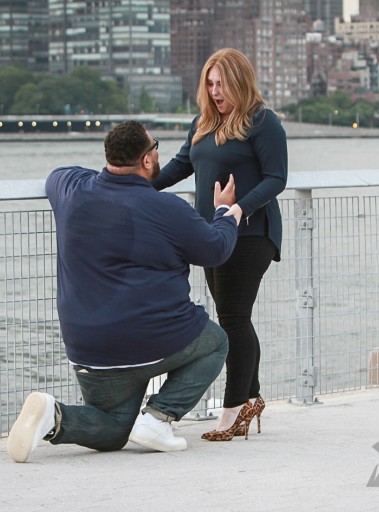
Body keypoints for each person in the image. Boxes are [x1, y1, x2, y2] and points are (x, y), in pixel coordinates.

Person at [7, 120, 242, 463]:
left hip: (89, 350)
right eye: (155, 146)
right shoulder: (169, 209)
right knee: (216, 341)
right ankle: (160, 417)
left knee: (114, 430)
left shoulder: (71, 190)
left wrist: (108, 177)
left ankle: (52, 416)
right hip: (153, 340)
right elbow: (215, 250)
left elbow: (57, 174)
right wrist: (225, 211)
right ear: (147, 160)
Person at [152, 48, 288, 441]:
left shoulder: (263, 122)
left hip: (250, 232)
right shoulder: (204, 121)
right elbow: (180, 166)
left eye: (221, 84)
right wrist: (133, 186)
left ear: (239, 82)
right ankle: (252, 399)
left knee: (232, 319)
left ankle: (231, 412)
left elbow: (276, 178)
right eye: (209, 84)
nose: (214, 91)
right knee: (235, 317)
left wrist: (238, 208)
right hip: (211, 233)